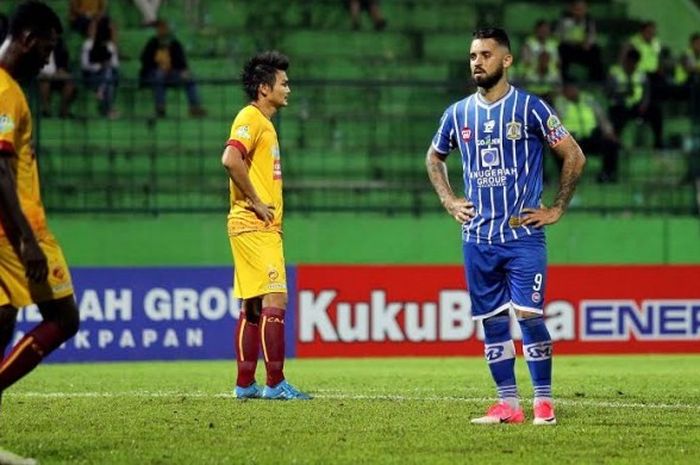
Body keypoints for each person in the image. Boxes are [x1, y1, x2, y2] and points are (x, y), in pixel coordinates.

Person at [425, 28, 585, 425]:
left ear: (507, 60)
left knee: (529, 317)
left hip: (522, 235)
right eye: (473, 55)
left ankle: (543, 403)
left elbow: (574, 156)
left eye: (485, 54)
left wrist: (557, 208)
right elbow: (434, 158)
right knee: (493, 322)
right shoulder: (457, 113)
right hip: (477, 236)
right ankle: (508, 405)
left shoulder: (531, 109)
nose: (477, 61)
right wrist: (449, 200)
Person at [0, 1, 81, 463]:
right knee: (65, 318)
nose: (49, 60)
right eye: (47, 49)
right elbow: (1, 169)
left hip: (11, 230)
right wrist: (28, 239)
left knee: (4, 323)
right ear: (28, 39)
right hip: (17, 232)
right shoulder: (6, 92)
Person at [221, 51, 310, 400]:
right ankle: (275, 383)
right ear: (264, 88)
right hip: (255, 224)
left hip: (250, 225)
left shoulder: (264, 123)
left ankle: (245, 383)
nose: (288, 88)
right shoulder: (251, 117)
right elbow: (230, 158)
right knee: (277, 298)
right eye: (283, 83)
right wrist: (258, 202)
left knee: (253, 304)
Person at [139, 20, 206, 118]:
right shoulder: (152, 44)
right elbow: (145, 61)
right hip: (153, 74)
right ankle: (160, 108)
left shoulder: (174, 44)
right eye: (160, 28)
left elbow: (181, 62)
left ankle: (194, 107)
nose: (162, 31)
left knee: (189, 77)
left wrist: (183, 71)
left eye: (164, 28)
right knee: (158, 75)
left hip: (171, 74)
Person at [555, 81, 620, 182]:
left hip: (592, 136)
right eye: (569, 89)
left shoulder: (588, 99)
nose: (572, 91)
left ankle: (607, 174)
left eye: (574, 88)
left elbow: (602, 118)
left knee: (611, 143)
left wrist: (608, 132)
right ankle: (568, 176)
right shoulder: (560, 103)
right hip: (572, 138)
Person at [607, 48, 663, 149]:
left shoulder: (641, 75)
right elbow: (609, 92)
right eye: (630, 61)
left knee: (655, 112)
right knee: (616, 118)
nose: (632, 64)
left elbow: (647, 93)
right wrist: (623, 94)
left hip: (636, 106)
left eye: (634, 62)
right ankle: (615, 144)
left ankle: (658, 142)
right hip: (620, 105)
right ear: (626, 60)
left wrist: (644, 105)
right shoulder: (615, 73)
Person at [80, 15, 119, 119]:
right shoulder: (87, 44)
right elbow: (85, 65)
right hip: (92, 75)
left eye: (96, 28)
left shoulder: (108, 44)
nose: (94, 30)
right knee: (108, 77)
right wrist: (99, 66)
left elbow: (115, 64)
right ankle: (108, 109)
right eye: (92, 28)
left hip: (108, 74)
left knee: (109, 74)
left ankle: (102, 91)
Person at [556, 0, 604, 81]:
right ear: (572, 10)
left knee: (596, 50)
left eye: (582, 9)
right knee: (562, 49)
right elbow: (558, 36)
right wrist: (573, 42)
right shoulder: (565, 21)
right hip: (569, 48)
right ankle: (565, 79)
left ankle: (596, 79)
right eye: (577, 9)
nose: (579, 12)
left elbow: (592, 37)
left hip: (583, 49)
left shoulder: (589, 22)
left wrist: (588, 43)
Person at [38, 37, 77, 118]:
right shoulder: (38, 50)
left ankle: (63, 110)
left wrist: (61, 72)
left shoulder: (59, 48)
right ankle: (46, 110)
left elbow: (63, 67)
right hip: (42, 77)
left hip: (56, 76)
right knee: (45, 81)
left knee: (70, 82)